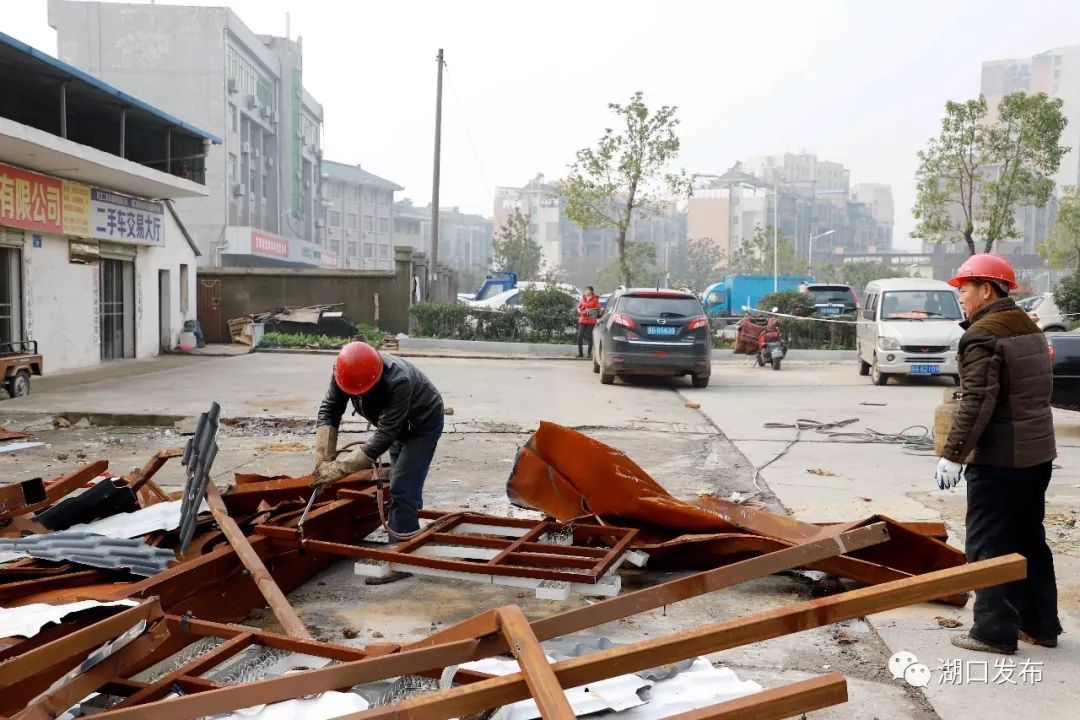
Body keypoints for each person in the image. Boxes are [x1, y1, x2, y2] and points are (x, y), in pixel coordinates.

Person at [936, 253, 1060, 655]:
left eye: (965, 289)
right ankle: (1040, 625)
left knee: (988, 543)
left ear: (986, 289)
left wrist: (954, 454)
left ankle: (993, 632)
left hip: (1000, 460)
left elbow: (977, 401)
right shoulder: (1029, 327)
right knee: (1029, 538)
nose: (961, 298)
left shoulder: (983, 334)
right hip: (1036, 456)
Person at [313, 341, 444, 547]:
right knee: (399, 483)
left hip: (422, 425)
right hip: (397, 426)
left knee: (402, 488)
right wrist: (323, 460)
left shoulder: (399, 380)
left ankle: (402, 556)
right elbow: (330, 410)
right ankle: (407, 526)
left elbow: (385, 435)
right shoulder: (344, 371)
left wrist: (340, 469)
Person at [576, 286, 601, 359]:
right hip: (582, 319)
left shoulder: (595, 299)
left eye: (588, 290)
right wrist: (580, 311)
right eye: (585, 290)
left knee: (589, 336)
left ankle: (589, 353)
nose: (586, 291)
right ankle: (580, 353)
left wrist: (587, 310)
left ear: (592, 292)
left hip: (591, 320)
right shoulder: (582, 298)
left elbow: (598, 308)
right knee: (579, 336)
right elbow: (578, 307)